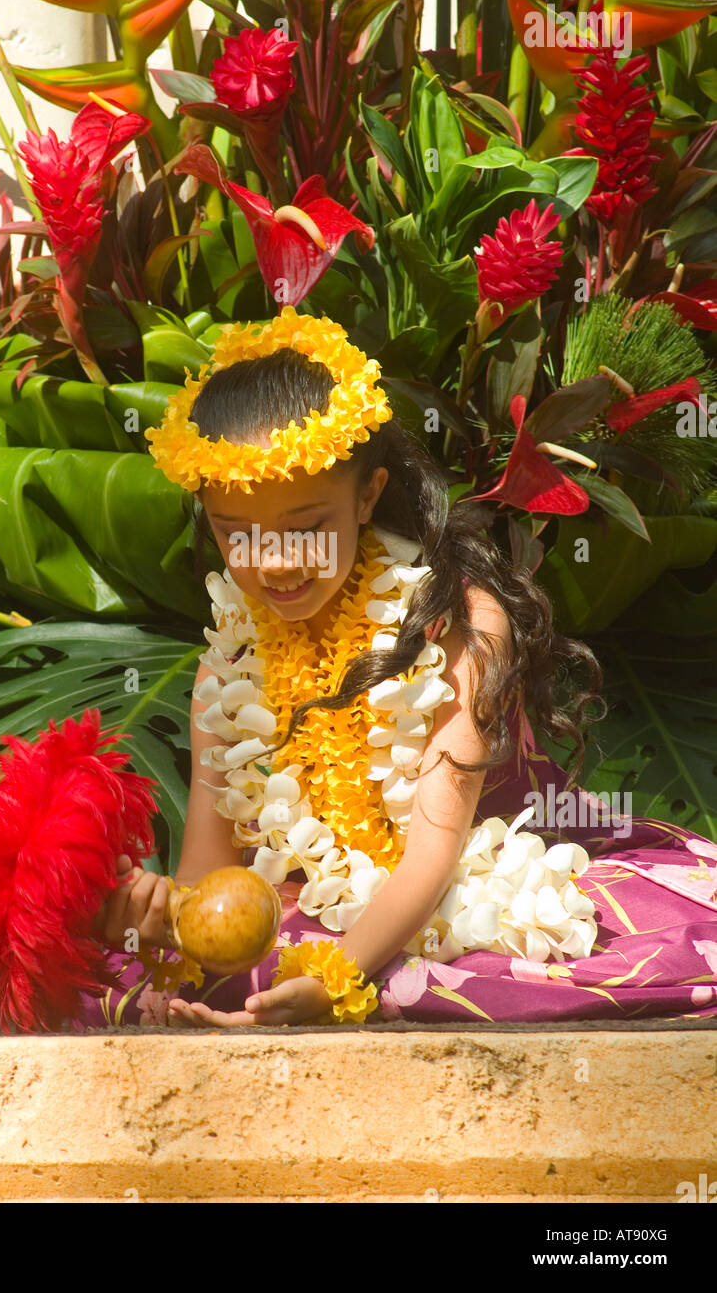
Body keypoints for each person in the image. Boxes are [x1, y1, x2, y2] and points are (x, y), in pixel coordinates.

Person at [72, 307, 717, 1031]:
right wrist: (174, 920)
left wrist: (336, 982)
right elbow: (209, 866)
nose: (276, 561)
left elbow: (430, 858)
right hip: (313, 904)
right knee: (144, 981)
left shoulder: (464, 625)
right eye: (236, 533)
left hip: (466, 886)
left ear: (368, 495)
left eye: (307, 527)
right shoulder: (225, 668)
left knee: (451, 975)